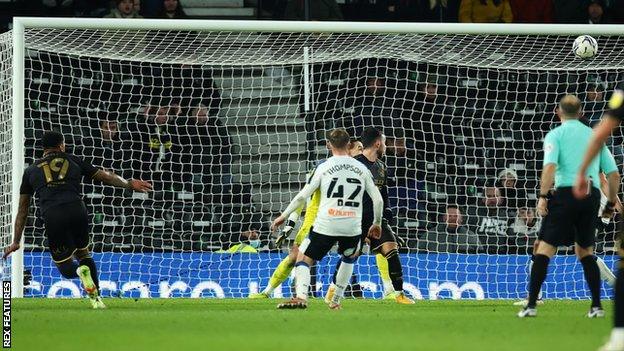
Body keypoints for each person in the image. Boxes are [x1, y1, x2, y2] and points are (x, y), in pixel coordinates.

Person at [3, 131, 152, 308]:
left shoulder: (30, 171)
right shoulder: (73, 159)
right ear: (61, 145)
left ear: (44, 148)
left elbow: (23, 210)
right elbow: (105, 176)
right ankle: (96, 299)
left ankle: (80, 272)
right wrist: (128, 183)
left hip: (53, 214)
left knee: (65, 266)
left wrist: (16, 241)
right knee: (83, 253)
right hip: (77, 209)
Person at [517, 95, 620, 318]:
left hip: (566, 194)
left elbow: (550, 168)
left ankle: (532, 304)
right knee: (585, 251)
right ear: (581, 112)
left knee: (542, 248)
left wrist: (543, 196)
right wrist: (612, 203)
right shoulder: (595, 136)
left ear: (558, 112)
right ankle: (596, 307)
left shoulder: (556, 134)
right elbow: (612, 175)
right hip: (591, 197)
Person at [271, 129, 383, 310]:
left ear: (329, 145)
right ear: (349, 145)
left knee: (303, 258)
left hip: (326, 224)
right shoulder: (362, 168)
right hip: (352, 226)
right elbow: (378, 199)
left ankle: (301, 297)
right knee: (349, 257)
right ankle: (336, 301)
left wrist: (283, 216)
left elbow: (302, 197)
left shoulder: (323, 167)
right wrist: (376, 223)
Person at [249, 140, 363, 299]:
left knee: (350, 255)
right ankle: (267, 291)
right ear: (348, 148)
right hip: (317, 219)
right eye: (359, 148)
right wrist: (290, 225)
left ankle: (340, 292)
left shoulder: (357, 170)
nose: (361, 151)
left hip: (343, 219)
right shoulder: (323, 167)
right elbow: (303, 196)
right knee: (295, 257)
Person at [326, 128, 415, 304]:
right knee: (351, 255)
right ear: (377, 143)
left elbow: (384, 194)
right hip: (356, 219)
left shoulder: (381, 166)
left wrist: (387, 214)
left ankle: (399, 294)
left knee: (392, 251)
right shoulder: (354, 164)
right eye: (384, 141)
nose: (385, 145)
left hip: (377, 220)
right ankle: (333, 288)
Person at [574, 89, 624, 350]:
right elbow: (609, 175)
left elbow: (607, 175)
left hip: (591, 199)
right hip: (597, 199)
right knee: (582, 248)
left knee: (583, 248)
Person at [465, 186, 510, 254]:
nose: (492, 199)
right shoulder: (472, 212)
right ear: (483, 199)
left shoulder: (508, 216)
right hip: (477, 253)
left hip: (500, 254)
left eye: (495, 196)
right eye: (489, 196)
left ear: (501, 199)